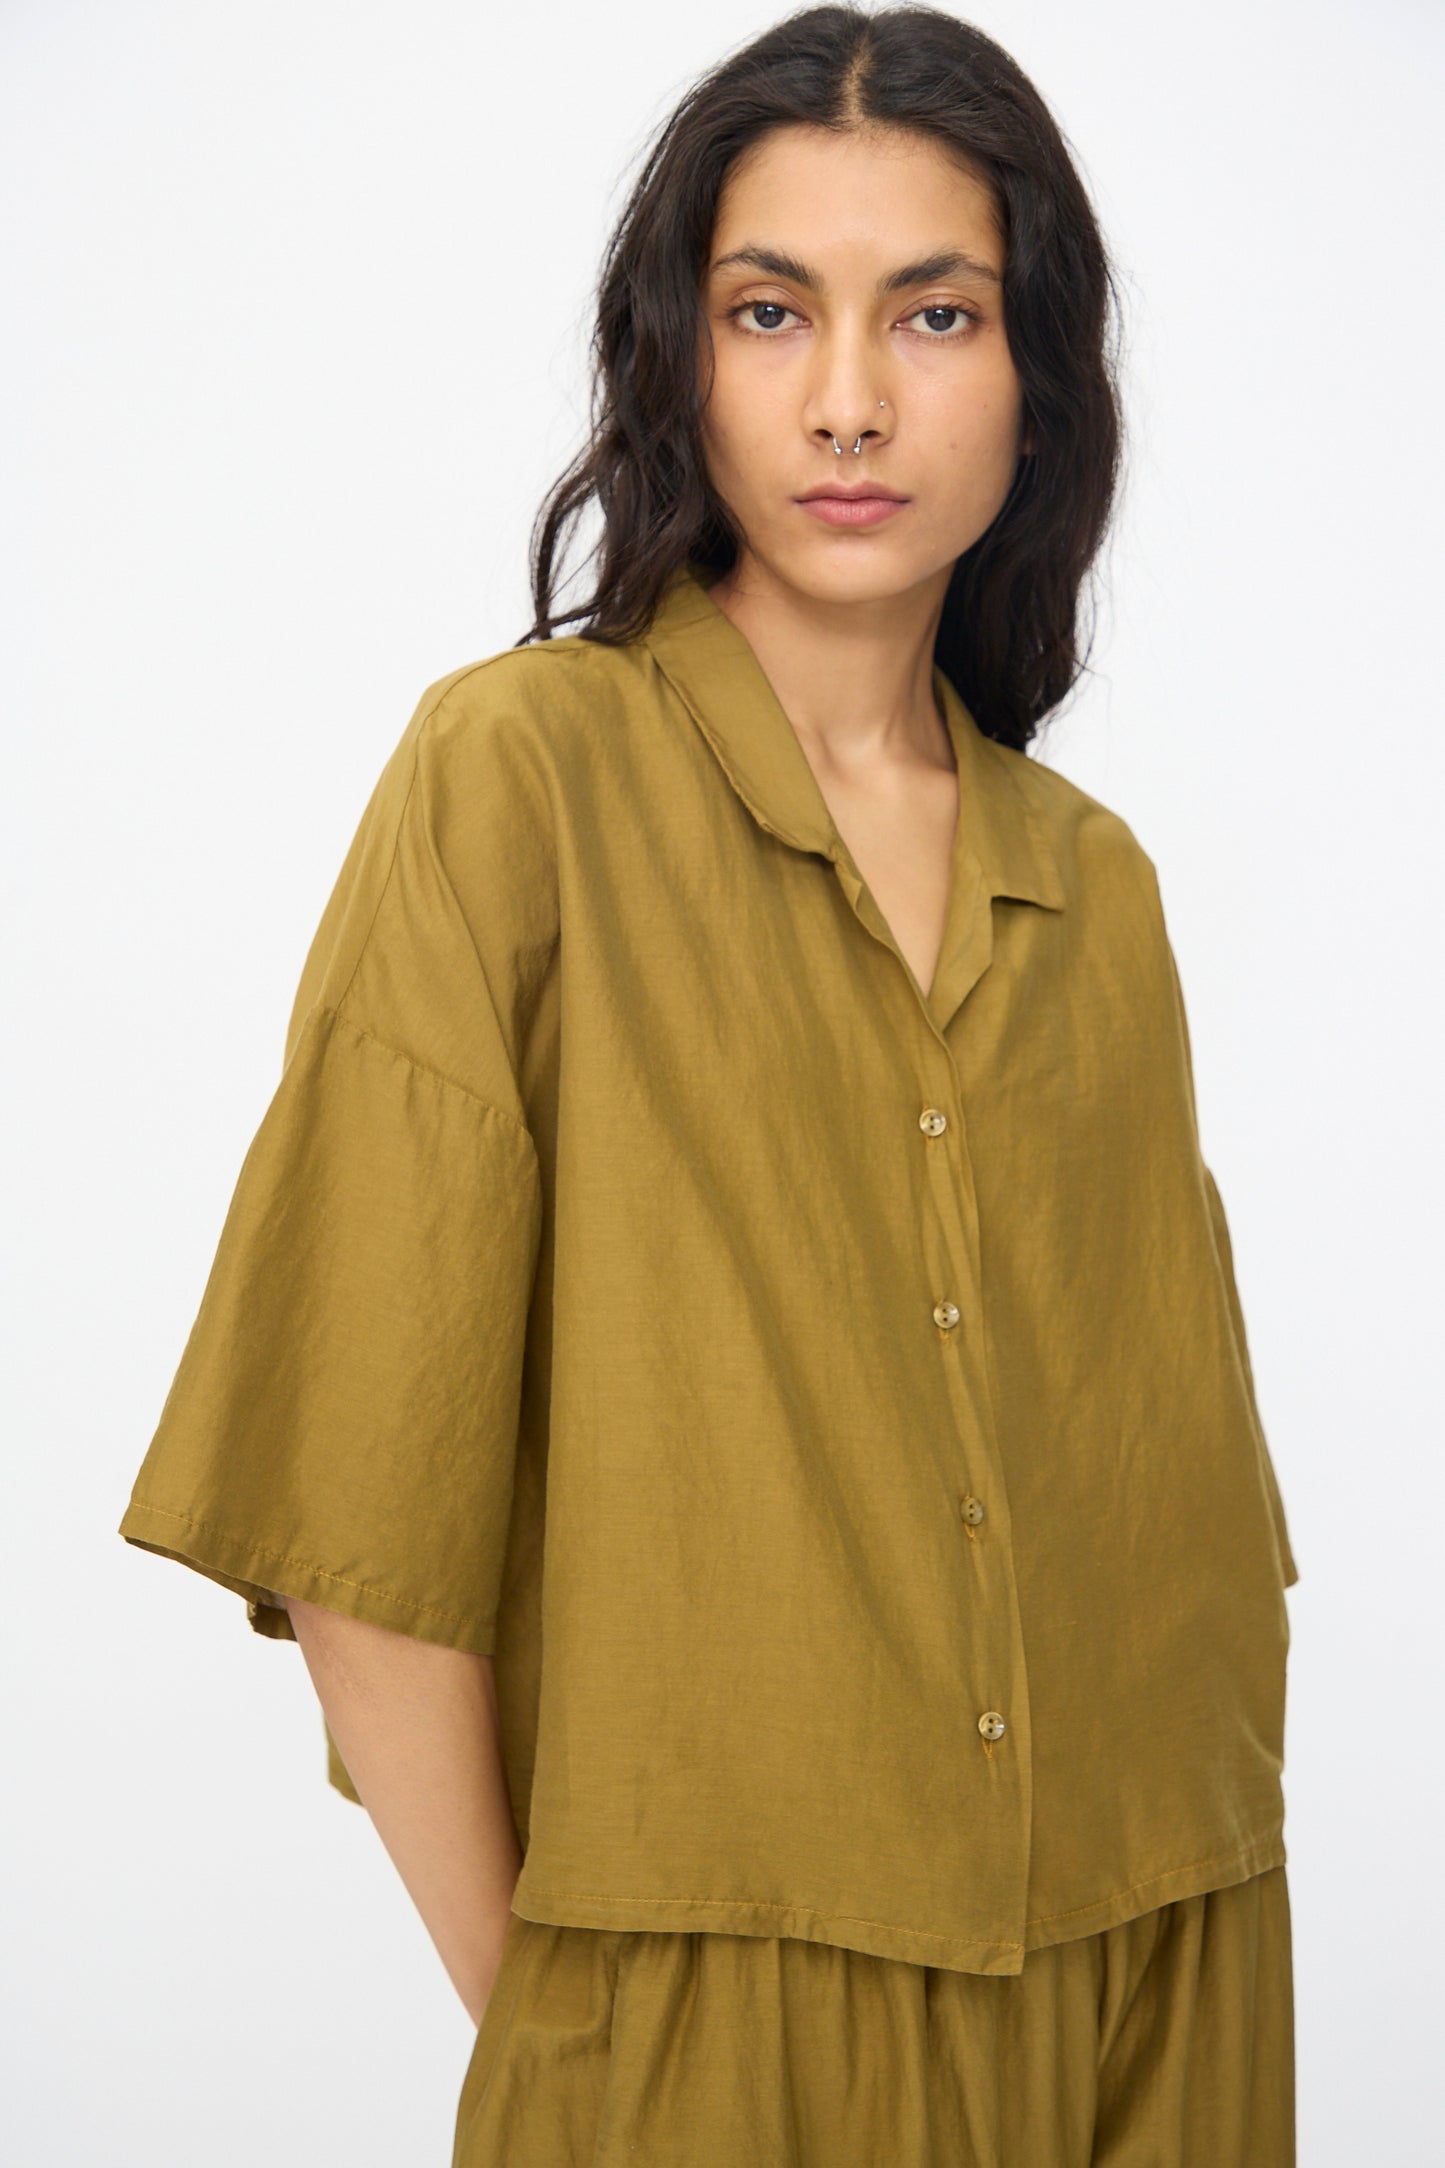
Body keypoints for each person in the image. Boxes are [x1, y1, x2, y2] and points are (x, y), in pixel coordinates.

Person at [116, 6, 1299, 2162]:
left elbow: (1163, 1529)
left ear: (1038, 376)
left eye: (933, 312)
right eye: (774, 313)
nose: (850, 398)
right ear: (684, 356)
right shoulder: (521, 783)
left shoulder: (1093, 893)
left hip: (1158, 1977)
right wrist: (573, 2038)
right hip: (698, 2036)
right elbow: (361, 1515)